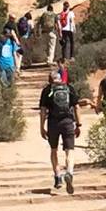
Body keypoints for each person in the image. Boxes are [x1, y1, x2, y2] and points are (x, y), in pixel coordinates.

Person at [38, 62, 81, 193]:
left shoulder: (47, 91)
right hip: (68, 122)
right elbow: (76, 107)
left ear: (50, 80)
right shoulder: (69, 88)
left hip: (53, 123)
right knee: (70, 150)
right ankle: (69, 172)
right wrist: (78, 124)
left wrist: (42, 127)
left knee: (54, 150)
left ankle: (57, 176)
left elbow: (43, 110)